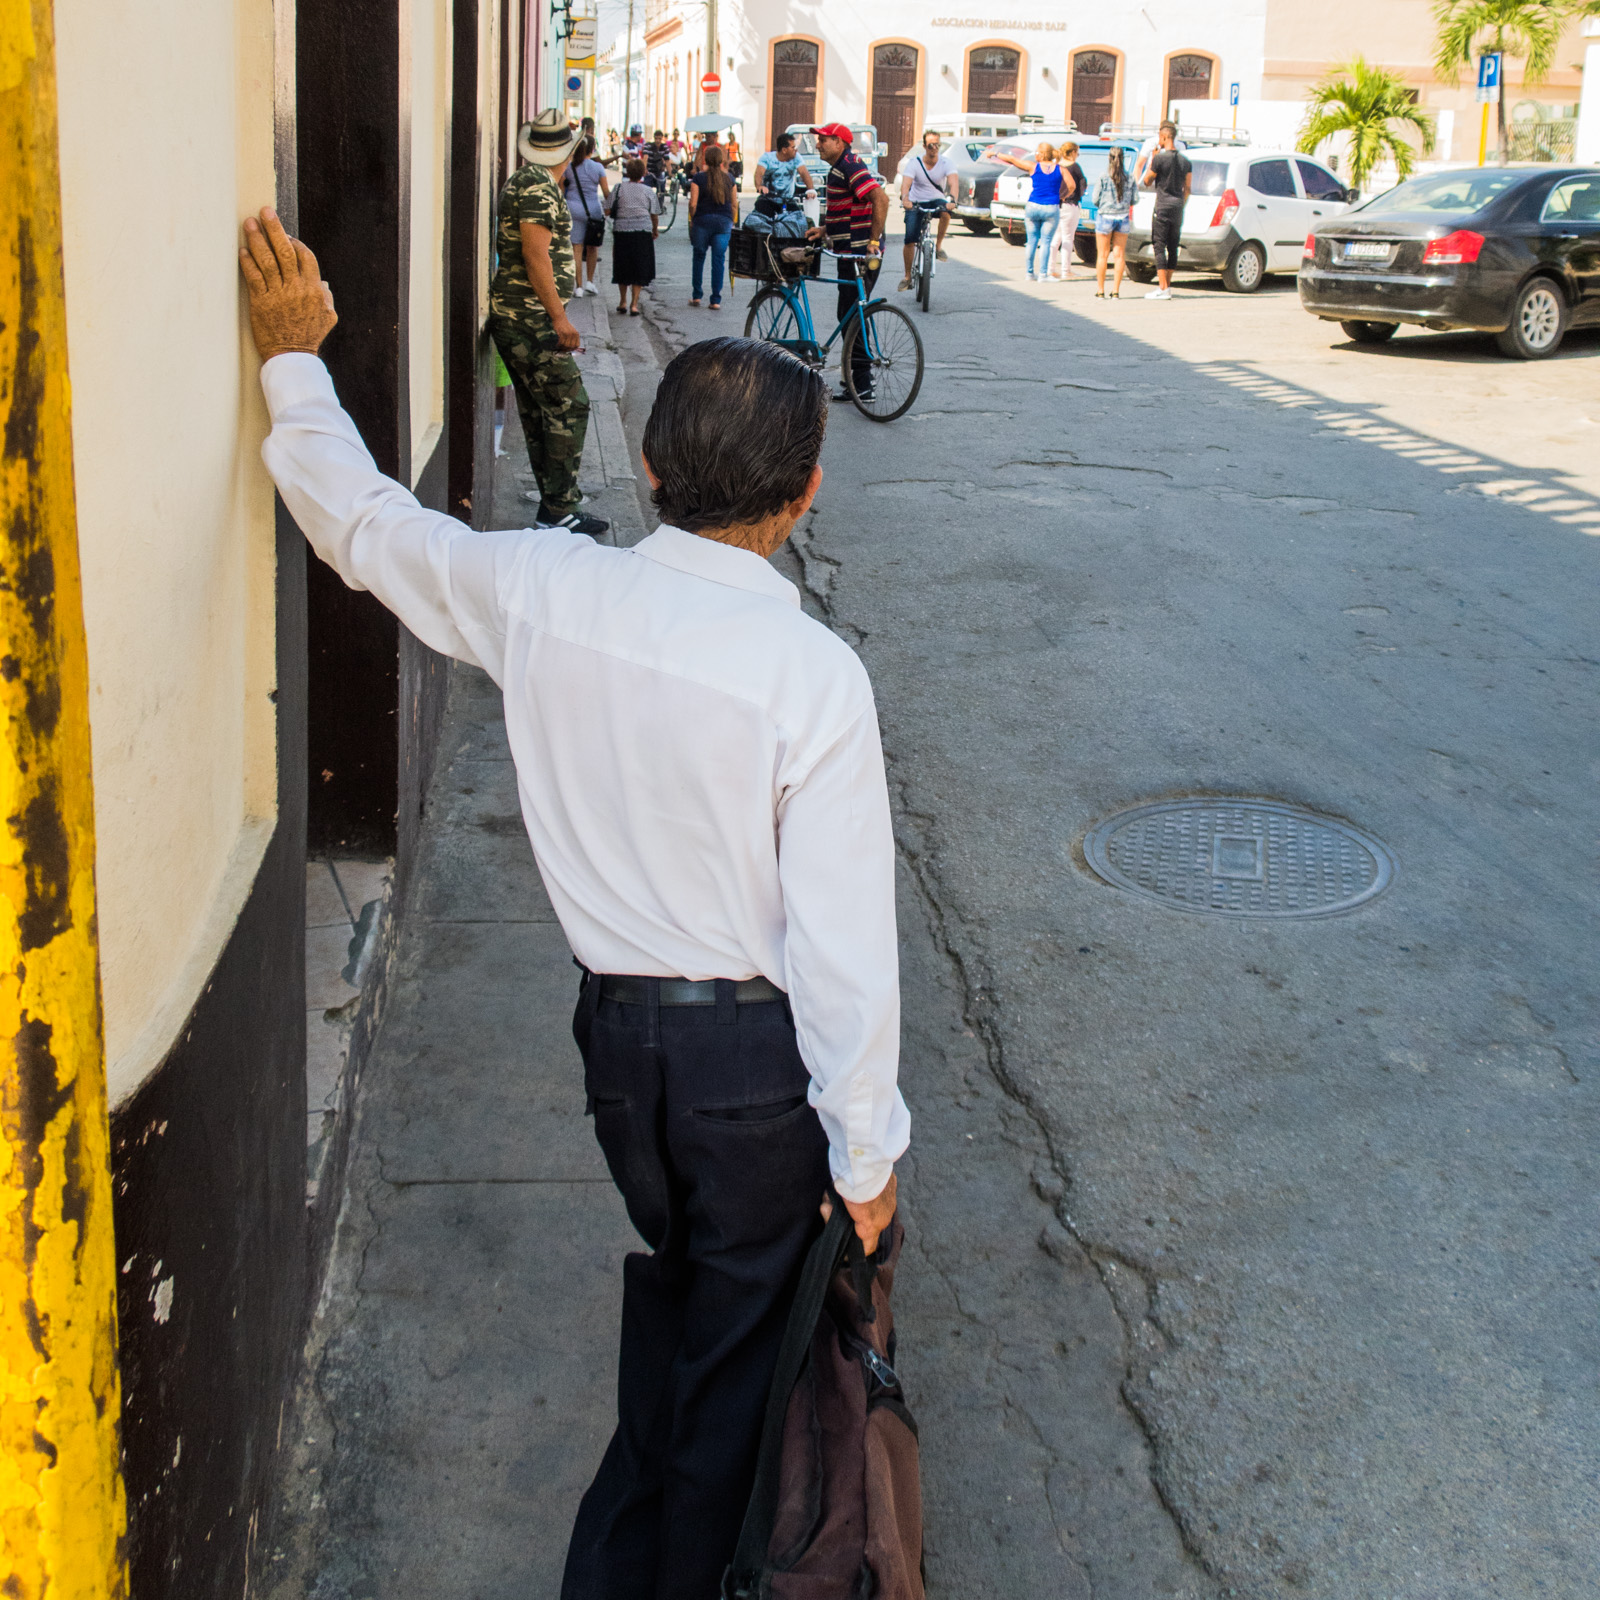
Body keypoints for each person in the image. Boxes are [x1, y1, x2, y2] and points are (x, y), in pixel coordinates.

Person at [238, 217, 907, 1600]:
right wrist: (868, 1153)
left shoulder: (545, 588)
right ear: (807, 496)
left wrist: (296, 365)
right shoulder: (812, 678)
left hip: (622, 1053)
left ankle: (637, 1548)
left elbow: (363, 527)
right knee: (735, 1364)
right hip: (751, 1074)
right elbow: (843, 950)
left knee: (700, 1307)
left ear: (652, 468)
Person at [486, 109, 607, 536]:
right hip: (530, 319)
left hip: (521, 317)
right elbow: (535, 254)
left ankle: (553, 509)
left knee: (541, 410)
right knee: (570, 405)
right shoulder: (537, 185)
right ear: (570, 150)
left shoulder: (530, 180)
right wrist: (559, 319)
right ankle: (560, 507)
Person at [806, 122, 888, 401]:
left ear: (839, 142)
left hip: (860, 253)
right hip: (847, 251)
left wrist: (873, 243)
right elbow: (852, 205)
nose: (818, 144)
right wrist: (826, 229)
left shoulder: (850, 165)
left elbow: (881, 198)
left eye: (823, 140)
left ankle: (863, 384)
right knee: (852, 314)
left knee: (852, 315)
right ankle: (857, 381)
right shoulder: (839, 168)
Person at [896, 128, 958, 292]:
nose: (934, 148)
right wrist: (905, 199)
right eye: (930, 145)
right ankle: (907, 277)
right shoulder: (914, 163)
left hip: (935, 199)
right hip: (916, 201)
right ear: (924, 146)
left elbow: (953, 182)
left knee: (946, 211)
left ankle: (937, 247)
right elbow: (906, 184)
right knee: (910, 239)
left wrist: (952, 199)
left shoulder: (946, 163)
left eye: (937, 145)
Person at [995, 140, 1064, 283]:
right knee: (1045, 242)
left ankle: (1029, 274)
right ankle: (1043, 275)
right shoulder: (1060, 169)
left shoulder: (1033, 167)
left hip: (1033, 206)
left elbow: (1013, 159)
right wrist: (1062, 195)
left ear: (1041, 154)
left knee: (1031, 241)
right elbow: (1072, 185)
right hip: (1051, 207)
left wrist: (995, 154)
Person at [1141, 120, 1191, 300]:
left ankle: (1162, 288)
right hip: (1178, 207)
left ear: (1163, 137)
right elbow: (1188, 189)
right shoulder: (1186, 161)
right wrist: (1181, 204)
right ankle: (1167, 286)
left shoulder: (1160, 159)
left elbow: (1147, 181)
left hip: (1162, 206)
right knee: (1172, 246)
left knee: (1159, 245)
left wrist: (1152, 159)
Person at [606, 156, 660, 316]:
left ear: (627, 172)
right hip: (642, 232)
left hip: (621, 231)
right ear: (643, 173)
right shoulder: (648, 191)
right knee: (639, 266)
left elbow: (607, 210)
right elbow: (654, 214)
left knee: (622, 266)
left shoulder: (617, 188)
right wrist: (655, 230)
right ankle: (634, 304)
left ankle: (622, 301)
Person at [687, 144, 737, 310]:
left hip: (702, 221)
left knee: (699, 256)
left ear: (705, 160)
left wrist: (693, 218)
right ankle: (715, 299)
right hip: (723, 222)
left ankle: (696, 295)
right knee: (719, 260)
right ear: (722, 160)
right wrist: (732, 221)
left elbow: (693, 203)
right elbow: (734, 204)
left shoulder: (699, 178)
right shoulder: (729, 179)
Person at [563, 135, 611, 297]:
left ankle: (578, 287)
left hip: (573, 209)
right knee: (592, 248)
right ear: (592, 149)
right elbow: (606, 193)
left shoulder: (569, 167)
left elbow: (561, 188)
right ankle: (590, 282)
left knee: (577, 248)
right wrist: (610, 209)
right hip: (593, 211)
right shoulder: (598, 168)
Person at [1092, 145, 1135, 299]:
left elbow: (1095, 198)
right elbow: (1134, 199)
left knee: (1102, 255)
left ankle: (1100, 290)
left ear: (1109, 158)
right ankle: (1116, 291)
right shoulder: (1130, 178)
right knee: (1119, 255)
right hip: (1122, 217)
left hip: (1105, 216)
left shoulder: (1103, 176)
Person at [752, 130, 818, 222]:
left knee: (798, 220)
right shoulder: (767, 158)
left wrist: (810, 189)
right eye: (793, 147)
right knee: (760, 215)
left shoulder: (796, 157)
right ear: (784, 150)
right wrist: (759, 186)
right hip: (769, 198)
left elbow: (804, 173)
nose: (796, 150)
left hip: (787, 199)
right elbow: (759, 173)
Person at [1048, 141, 1088, 281]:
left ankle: (1050, 268)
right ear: (1072, 153)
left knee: (1056, 237)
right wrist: (1079, 195)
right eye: (1077, 152)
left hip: (1056, 205)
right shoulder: (1074, 167)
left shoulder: (1056, 166)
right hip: (1070, 205)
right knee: (1068, 238)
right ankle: (1066, 270)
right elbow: (1083, 184)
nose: (1077, 155)